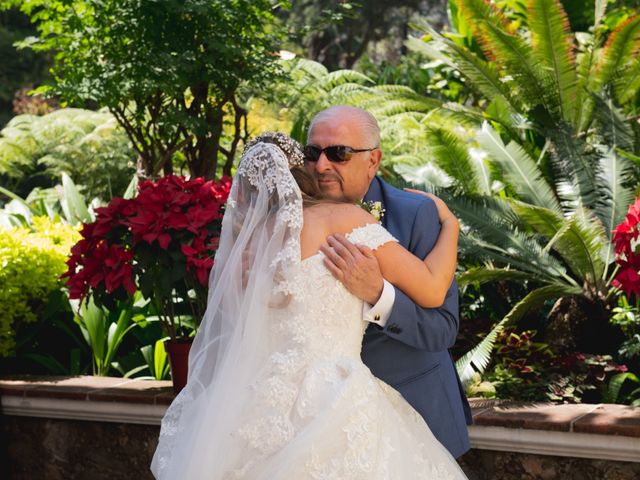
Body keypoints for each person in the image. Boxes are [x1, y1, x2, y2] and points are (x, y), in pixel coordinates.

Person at [151, 132, 468, 479]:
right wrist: (450, 225)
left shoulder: (250, 248)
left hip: (261, 404)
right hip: (335, 397)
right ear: (302, 170)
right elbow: (434, 289)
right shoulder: (345, 219)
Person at [305, 105, 472, 459]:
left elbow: (443, 329)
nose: (322, 165)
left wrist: (379, 294)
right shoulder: (289, 219)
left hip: (413, 415)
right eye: (312, 152)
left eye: (339, 153)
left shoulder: (415, 215)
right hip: (318, 421)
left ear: (373, 160)